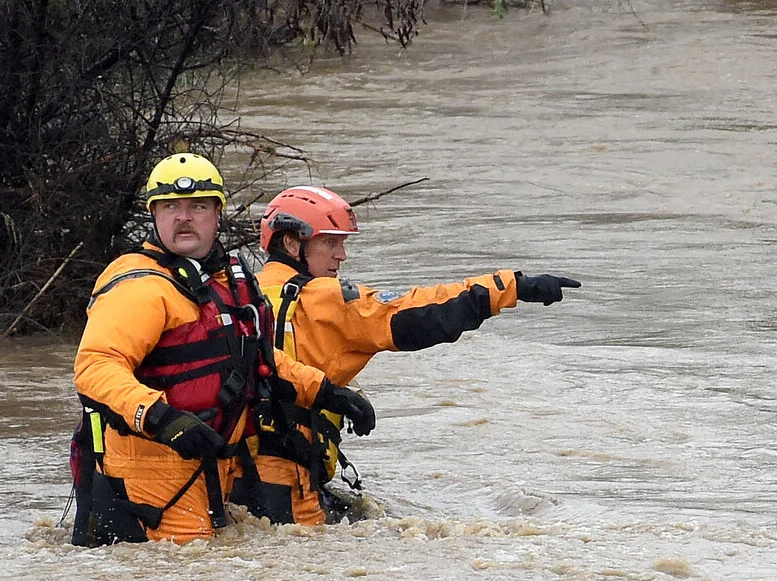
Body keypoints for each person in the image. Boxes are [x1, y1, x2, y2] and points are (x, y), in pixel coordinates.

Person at [69, 153, 376, 545]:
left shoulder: (225, 281)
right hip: (148, 476)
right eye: (170, 207)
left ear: (217, 215)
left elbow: (255, 357)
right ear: (155, 216)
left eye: (197, 207)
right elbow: (96, 367)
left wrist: (328, 393)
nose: (184, 217)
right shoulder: (140, 287)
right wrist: (163, 418)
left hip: (210, 469)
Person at [239, 184, 580, 524]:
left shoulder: (236, 294)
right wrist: (512, 288)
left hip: (227, 473)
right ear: (290, 243)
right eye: (330, 242)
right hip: (284, 484)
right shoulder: (325, 299)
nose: (341, 255)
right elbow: (419, 312)